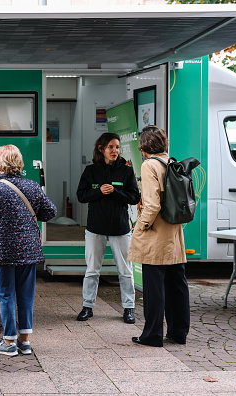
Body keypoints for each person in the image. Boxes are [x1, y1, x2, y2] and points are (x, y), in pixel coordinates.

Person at [0, 145, 56, 356]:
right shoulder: (32, 187)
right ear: (19, 162)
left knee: (4, 294)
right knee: (26, 295)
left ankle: (8, 341)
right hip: (29, 251)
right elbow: (50, 211)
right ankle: (24, 341)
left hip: (2, 251)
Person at [128, 125, 190, 347]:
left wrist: (141, 226)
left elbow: (152, 204)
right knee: (177, 284)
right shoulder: (171, 162)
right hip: (174, 233)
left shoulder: (149, 165)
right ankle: (178, 332)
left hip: (156, 234)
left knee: (154, 287)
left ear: (144, 145)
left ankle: (152, 335)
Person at [76, 132, 140, 324]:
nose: (114, 151)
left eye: (117, 147)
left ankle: (129, 308)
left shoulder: (126, 171)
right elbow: (81, 195)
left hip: (120, 228)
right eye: (111, 147)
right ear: (101, 148)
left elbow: (134, 198)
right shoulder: (91, 171)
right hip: (95, 228)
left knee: (126, 271)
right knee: (92, 270)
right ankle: (87, 306)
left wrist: (115, 191)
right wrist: (98, 191)